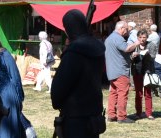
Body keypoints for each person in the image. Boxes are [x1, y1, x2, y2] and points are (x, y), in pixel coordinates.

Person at [52, 9, 106, 138]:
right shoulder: (97, 49)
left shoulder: (73, 53)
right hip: (93, 116)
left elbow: (59, 91)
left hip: (75, 120)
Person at [0, 24, 29, 137]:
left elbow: (15, 77)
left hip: (7, 99)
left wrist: (19, 100)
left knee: (7, 133)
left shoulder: (3, 54)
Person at [104, 20, 138, 123]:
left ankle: (111, 115)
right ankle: (122, 117)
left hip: (112, 70)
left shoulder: (109, 38)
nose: (127, 31)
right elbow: (126, 48)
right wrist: (136, 43)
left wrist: (130, 56)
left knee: (113, 93)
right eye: (126, 29)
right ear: (122, 29)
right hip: (120, 70)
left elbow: (118, 54)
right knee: (122, 93)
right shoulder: (118, 38)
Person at [131, 30, 155, 120]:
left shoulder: (151, 45)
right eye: (140, 37)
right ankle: (138, 113)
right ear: (137, 37)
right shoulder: (134, 45)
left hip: (147, 70)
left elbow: (153, 56)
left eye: (144, 37)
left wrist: (147, 54)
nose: (142, 39)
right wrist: (133, 56)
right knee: (138, 92)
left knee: (148, 92)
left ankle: (149, 113)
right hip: (137, 70)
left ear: (147, 37)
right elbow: (129, 57)